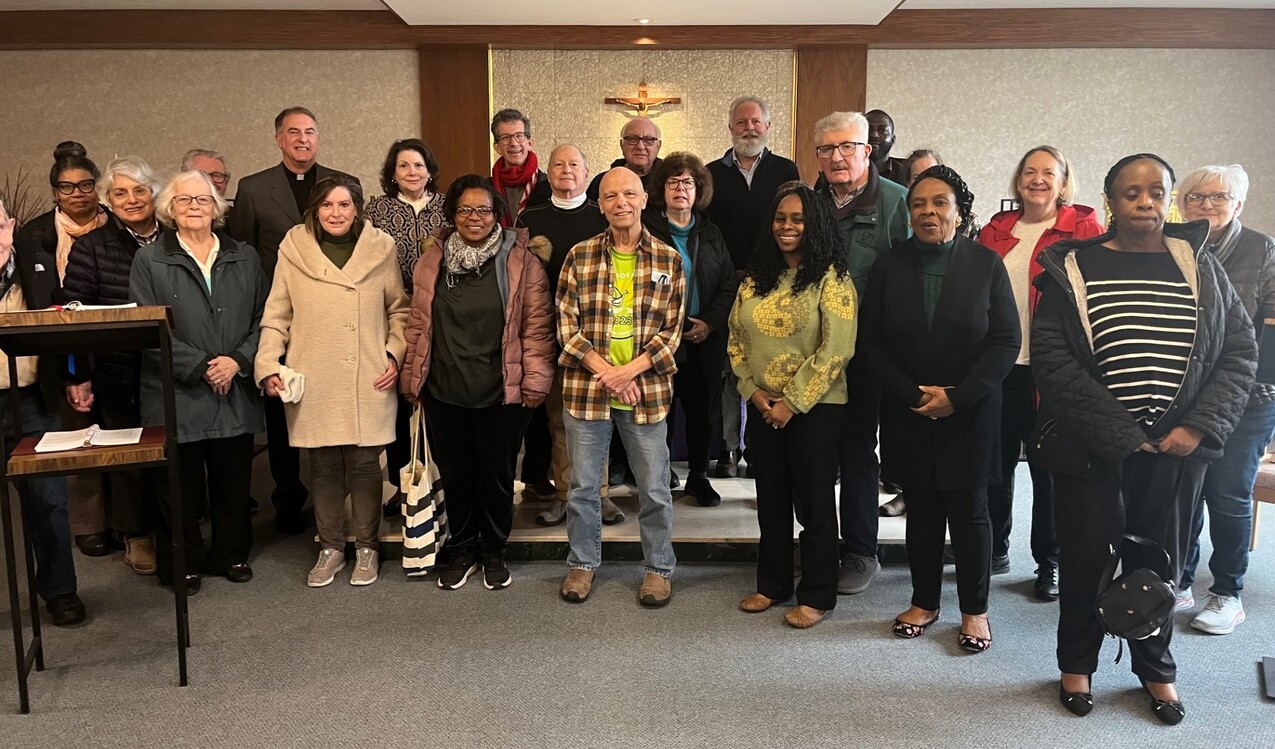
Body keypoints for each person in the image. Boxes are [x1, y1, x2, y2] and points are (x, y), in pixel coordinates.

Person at [1032, 154, 1255, 724]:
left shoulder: (1203, 267)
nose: (1144, 201)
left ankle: (1155, 669)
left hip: (1177, 447)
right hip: (1092, 446)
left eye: (1157, 191)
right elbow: (1054, 361)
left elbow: (1238, 352)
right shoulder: (1072, 266)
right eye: (1130, 192)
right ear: (1110, 201)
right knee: (1087, 559)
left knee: (1160, 565)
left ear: (1170, 199)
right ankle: (1076, 663)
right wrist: (1121, 435)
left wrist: (1198, 426)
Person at [860, 165, 1019, 651]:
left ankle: (975, 611)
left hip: (971, 411)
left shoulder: (985, 264)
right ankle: (924, 601)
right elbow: (871, 341)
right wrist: (913, 395)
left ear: (959, 210)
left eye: (939, 203)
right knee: (922, 508)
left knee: (970, 511)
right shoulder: (890, 264)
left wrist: (958, 395)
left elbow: (1006, 339)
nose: (928, 212)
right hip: (908, 409)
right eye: (918, 205)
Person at [400, 174, 554, 590]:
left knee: (497, 475)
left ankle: (493, 550)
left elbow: (537, 328)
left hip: (501, 392)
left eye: (483, 209)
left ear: (498, 216)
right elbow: (418, 323)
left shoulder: (522, 261)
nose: (474, 217)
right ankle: (463, 546)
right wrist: (412, 374)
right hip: (444, 389)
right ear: (451, 214)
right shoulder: (432, 259)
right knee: (456, 473)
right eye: (464, 209)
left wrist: (535, 382)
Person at [255, 174, 408, 588]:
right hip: (314, 372)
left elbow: (400, 309)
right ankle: (331, 546)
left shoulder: (381, 248)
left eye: (343, 205)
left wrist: (395, 353)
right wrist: (268, 362)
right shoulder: (294, 248)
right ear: (314, 210)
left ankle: (368, 547)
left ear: (357, 208)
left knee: (364, 464)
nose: (335, 213)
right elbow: (277, 313)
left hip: (369, 373)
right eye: (327, 205)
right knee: (322, 464)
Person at [976, 146, 1105, 597]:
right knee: (997, 461)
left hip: (1055, 368)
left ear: (1064, 182)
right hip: (999, 365)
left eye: (1048, 173)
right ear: (1017, 181)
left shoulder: (1084, 228)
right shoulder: (995, 230)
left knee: (1050, 467)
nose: (1037, 179)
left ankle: (1049, 561)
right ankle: (992, 548)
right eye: (1029, 172)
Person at [130, 170, 268, 590]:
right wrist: (202, 366)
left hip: (235, 387)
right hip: (178, 391)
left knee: (232, 482)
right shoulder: (150, 260)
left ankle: (231, 554)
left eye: (203, 200)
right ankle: (183, 562)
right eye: (185, 200)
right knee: (180, 488)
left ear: (217, 207)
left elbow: (267, 319)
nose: (194, 207)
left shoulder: (245, 256)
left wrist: (238, 361)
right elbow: (146, 328)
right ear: (170, 208)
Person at [729, 182, 858, 629]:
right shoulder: (754, 278)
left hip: (817, 408)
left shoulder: (832, 279)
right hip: (764, 406)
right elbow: (736, 340)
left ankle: (818, 593)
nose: (787, 226)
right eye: (780, 217)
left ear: (816, 224)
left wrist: (793, 402)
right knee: (772, 500)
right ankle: (774, 584)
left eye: (798, 218)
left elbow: (836, 349)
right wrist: (754, 392)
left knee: (816, 505)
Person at [227, 106, 360, 535]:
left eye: (310, 132)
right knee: (281, 407)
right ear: (278, 139)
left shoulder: (343, 185)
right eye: (293, 132)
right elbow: (243, 255)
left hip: (337, 319)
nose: (303, 139)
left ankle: (340, 505)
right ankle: (288, 498)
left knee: (336, 409)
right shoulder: (253, 188)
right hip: (281, 313)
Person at [556, 167, 685, 607]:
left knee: (653, 489)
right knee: (584, 487)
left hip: (644, 392)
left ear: (645, 198)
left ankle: (658, 569)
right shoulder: (579, 256)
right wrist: (607, 371)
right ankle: (582, 563)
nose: (621, 203)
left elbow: (672, 333)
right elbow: (566, 326)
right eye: (611, 196)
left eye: (629, 193)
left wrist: (628, 372)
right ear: (601, 204)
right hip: (587, 389)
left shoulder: (668, 260)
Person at [1175, 164, 1275, 635]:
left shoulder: (1262, 250)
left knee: (1228, 493)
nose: (1206, 205)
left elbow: (1271, 335)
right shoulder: (1174, 245)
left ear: (1237, 203)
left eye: (1218, 197)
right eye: (1196, 197)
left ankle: (1227, 591)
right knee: (1184, 491)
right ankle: (1180, 579)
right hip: (1187, 394)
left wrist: (1242, 386)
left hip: (1248, 395)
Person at [813, 111, 910, 595]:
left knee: (856, 453)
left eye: (847, 147)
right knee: (813, 454)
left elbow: (912, 277)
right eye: (827, 149)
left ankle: (859, 551)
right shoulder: (808, 203)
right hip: (811, 354)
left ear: (867, 150)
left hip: (868, 357)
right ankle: (816, 546)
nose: (837, 157)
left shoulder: (897, 204)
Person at [60, 156, 166, 574]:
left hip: (170, 366)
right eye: (120, 193)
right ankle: (136, 535)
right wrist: (78, 374)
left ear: (154, 194)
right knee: (129, 459)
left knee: (172, 452)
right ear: (107, 200)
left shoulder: (176, 238)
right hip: (117, 370)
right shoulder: (92, 247)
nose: (132, 200)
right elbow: (71, 315)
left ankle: (175, 528)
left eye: (140, 190)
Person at [517, 145, 618, 527]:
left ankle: (601, 494)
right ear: (548, 171)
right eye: (558, 164)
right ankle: (564, 493)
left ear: (587, 170)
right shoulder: (531, 217)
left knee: (599, 420)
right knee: (559, 420)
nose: (566, 170)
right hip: (548, 332)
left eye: (574, 164)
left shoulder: (602, 215)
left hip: (597, 336)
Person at [706, 96, 800, 479]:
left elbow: (795, 223)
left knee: (767, 365)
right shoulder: (712, 173)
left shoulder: (785, 169)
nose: (749, 128)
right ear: (730, 127)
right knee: (731, 369)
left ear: (768, 127)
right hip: (727, 284)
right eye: (742, 122)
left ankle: (763, 450)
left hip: (775, 282)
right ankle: (729, 449)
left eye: (756, 122)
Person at [1, 199, 84, 626]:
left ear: (10, 226)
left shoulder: (37, 262)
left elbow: (62, 323)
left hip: (32, 399)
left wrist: (73, 377)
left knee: (48, 500)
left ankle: (59, 590)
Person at [642, 153, 737, 507]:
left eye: (688, 183)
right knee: (659, 411)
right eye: (673, 182)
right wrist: (669, 327)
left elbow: (729, 284)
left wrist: (709, 323)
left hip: (703, 338)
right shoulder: (646, 229)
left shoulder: (711, 233)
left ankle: (698, 476)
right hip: (657, 340)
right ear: (661, 189)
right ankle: (660, 473)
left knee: (701, 411)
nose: (681, 189)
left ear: (699, 190)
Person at [364, 138, 447, 513]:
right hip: (393, 316)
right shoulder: (376, 211)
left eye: (418, 165)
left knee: (440, 398)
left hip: (441, 316)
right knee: (398, 401)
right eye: (403, 166)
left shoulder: (448, 208)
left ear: (429, 170)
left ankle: (443, 478)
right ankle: (402, 483)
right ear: (392, 173)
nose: (411, 172)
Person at [490, 108, 549, 225]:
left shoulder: (549, 186)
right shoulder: (486, 189)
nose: (513, 143)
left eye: (519, 136)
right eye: (506, 137)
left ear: (530, 143)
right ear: (497, 147)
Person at [585, 116, 664, 199]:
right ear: (622, 145)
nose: (640, 147)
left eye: (648, 140)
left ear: (658, 146)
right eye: (632, 139)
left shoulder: (671, 182)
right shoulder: (602, 181)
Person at [866, 109, 910, 186]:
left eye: (881, 130)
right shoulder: (847, 171)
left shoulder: (906, 173)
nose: (874, 135)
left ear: (892, 140)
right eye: (869, 130)